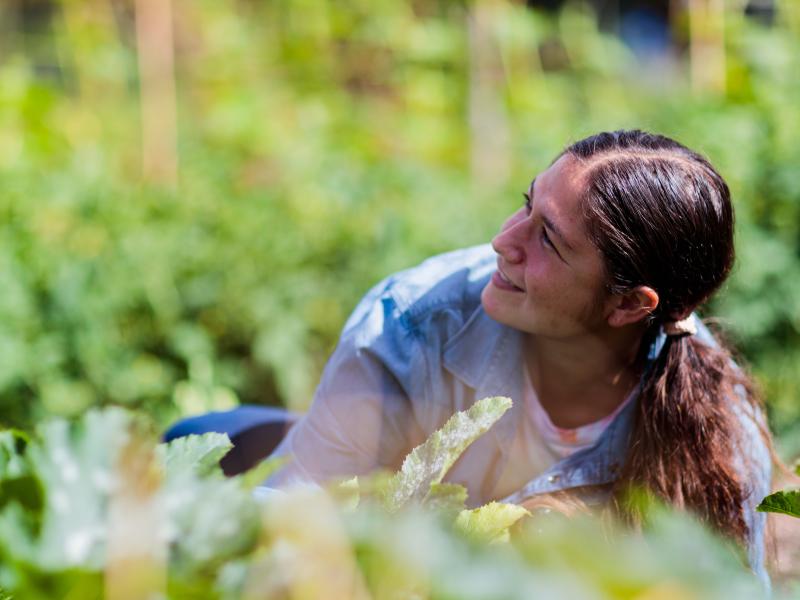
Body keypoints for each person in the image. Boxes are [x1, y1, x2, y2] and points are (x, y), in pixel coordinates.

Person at [259, 130, 774, 585]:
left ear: (628, 304)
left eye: (548, 238)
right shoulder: (409, 326)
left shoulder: (721, 433)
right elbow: (292, 520)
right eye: (526, 205)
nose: (503, 242)